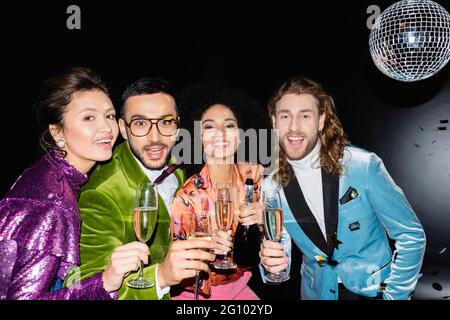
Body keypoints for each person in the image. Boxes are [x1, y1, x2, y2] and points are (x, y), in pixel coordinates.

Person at [259, 77, 426, 300]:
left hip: (374, 292)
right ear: (274, 122)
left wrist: (395, 295)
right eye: (285, 116)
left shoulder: (362, 166)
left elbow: (411, 235)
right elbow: (280, 249)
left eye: (305, 115)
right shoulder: (271, 184)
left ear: (321, 120)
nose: (294, 126)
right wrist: (272, 264)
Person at [0, 67, 149, 300]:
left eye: (109, 116)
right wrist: (105, 281)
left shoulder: (49, 175)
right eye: (89, 117)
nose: (106, 128)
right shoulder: (52, 204)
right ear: (57, 132)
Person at [69, 78, 215, 300]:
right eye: (140, 124)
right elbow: (90, 290)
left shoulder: (178, 162)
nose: (155, 138)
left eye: (166, 123)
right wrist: (161, 277)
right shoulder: (100, 194)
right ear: (123, 129)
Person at [170, 84, 263, 300]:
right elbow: (180, 266)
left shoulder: (254, 180)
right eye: (210, 127)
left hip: (241, 286)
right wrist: (207, 251)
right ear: (199, 138)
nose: (221, 133)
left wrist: (264, 218)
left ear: (239, 136)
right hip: (195, 293)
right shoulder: (188, 197)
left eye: (229, 125)